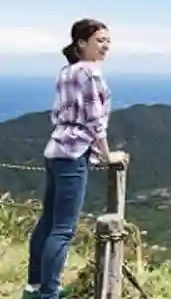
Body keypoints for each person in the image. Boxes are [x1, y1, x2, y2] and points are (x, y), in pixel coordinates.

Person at [22, 18, 128, 299]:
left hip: (56, 149)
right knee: (63, 230)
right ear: (82, 43)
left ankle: (34, 288)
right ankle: (49, 293)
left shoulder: (67, 71)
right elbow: (95, 122)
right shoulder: (91, 74)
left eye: (108, 41)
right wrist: (106, 155)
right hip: (74, 154)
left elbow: (57, 114)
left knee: (48, 222)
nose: (106, 46)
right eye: (100, 40)